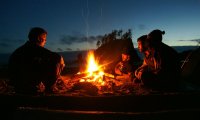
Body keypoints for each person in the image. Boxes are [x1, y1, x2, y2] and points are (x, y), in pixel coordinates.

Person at [8, 27, 65, 95]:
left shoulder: (22, 49)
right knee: (57, 59)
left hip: (16, 84)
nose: (45, 41)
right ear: (39, 38)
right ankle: (50, 88)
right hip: (24, 83)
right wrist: (60, 65)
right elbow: (57, 57)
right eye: (45, 38)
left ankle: (40, 85)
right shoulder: (33, 48)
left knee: (46, 61)